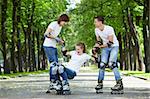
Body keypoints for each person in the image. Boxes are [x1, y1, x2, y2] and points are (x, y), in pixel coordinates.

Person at [93, 16, 123, 93]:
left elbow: (110, 43)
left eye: (95, 22)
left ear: (100, 22)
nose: (94, 23)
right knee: (102, 64)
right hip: (105, 48)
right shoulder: (96, 30)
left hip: (114, 46)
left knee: (111, 64)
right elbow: (99, 41)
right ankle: (100, 83)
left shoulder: (109, 29)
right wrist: (96, 47)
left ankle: (119, 83)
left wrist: (100, 46)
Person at [43, 14, 69, 90]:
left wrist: (59, 41)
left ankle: (56, 81)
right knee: (53, 64)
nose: (65, 24)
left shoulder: (60, 27)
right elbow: (46, 34)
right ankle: (53, 82)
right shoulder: (54, 24)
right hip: (48, 46)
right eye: (65, 22)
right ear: (61, 20)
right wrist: (57, 39)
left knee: (56, 65)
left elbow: (53, 37)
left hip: (53, 46)